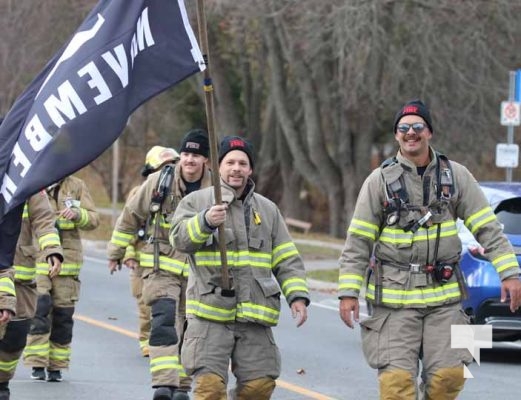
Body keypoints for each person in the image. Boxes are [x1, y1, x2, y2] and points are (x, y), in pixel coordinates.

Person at [338, 99, 521, 400]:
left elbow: (489, 229)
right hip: (393, 305)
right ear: (396, 135)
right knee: (396, 387)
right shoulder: (378, 181)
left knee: (451, 377)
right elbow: (358, 243)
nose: (411, 133)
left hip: (446, 301)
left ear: (429, 132)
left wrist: (509, 272)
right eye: (404, 128)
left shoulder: (457, 176)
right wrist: (348, 292)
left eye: (418, 127)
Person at [169, 135, 310, 400]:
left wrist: (297, 296)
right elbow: (179, 239)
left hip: (254, 319)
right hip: (209, 318)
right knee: (209, 390)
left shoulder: (268, 210)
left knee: (260, 387)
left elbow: (286, 258)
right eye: (230, 162)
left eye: (242, 163)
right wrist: (205, 222)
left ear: (250, 169)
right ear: (218, 167)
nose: (236, 168)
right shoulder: (197, 202)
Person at [107, 129, 212, 400]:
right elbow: (130, 216)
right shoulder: (158, 182)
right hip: (160, 264)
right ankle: (163, 385)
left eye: (196, 155)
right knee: (164, 320)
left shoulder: (216, 190)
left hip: (199, 270)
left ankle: (182, 385)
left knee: (192, 328)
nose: (189, 160)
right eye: (186, 154)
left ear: (206, 161)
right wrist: (116, 251)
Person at [23, 175, 99, 382]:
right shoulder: (32, 184)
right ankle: (37, 363)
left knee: (63, 316)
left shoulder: (77, 186)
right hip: (38, 259)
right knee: (40, 309)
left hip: (67, 263)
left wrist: (77, 214)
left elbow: (93, 219)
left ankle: (56, 366)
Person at [118, 146, 180, 358]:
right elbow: (129, 223)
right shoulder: (142, 192)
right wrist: (128, 253)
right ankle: (146, 340)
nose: (169, 170)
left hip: (166, 256)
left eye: (172, 165)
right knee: (145, 303)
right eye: (163, 166)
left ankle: (166, 339)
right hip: (141, 255)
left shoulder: (178, 190)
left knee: (168, 304)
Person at [0, 192, 63, 399]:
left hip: (20, 277)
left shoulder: (29, 180)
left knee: (15, 336)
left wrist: (52, 249)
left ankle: (2, 382)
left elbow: (44, 219)